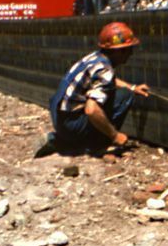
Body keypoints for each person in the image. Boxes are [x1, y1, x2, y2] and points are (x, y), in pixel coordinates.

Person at [34, 21, 151, 157]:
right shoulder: (105, 70)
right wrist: (115, 135)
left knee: (122, 91)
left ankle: (65, 140)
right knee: (125, 96)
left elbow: (106, 80)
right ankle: (97, 145)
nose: (130, 54)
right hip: (70, 125)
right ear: (118, 51)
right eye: (128, 49)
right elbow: (91, 109)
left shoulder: (95, 58)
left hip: (60, 118)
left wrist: (132, 87)